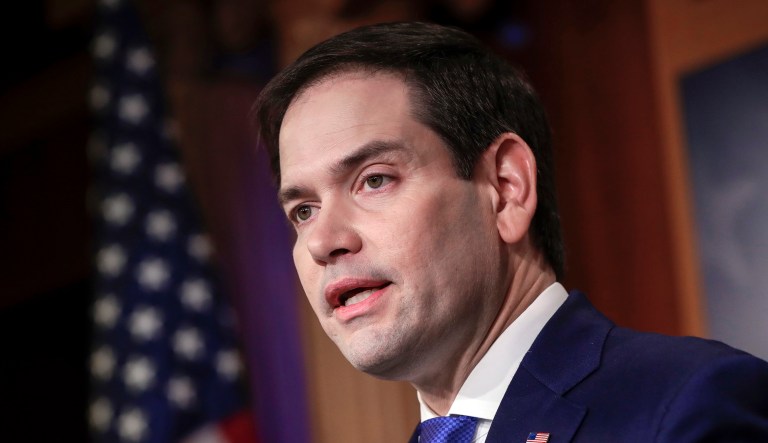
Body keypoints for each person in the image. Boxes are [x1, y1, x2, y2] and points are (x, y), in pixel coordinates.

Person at [253, 21, 768, 442]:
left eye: (374, 180)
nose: (323, 241)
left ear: (505, 187)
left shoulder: (683, 408)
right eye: (302, 211)